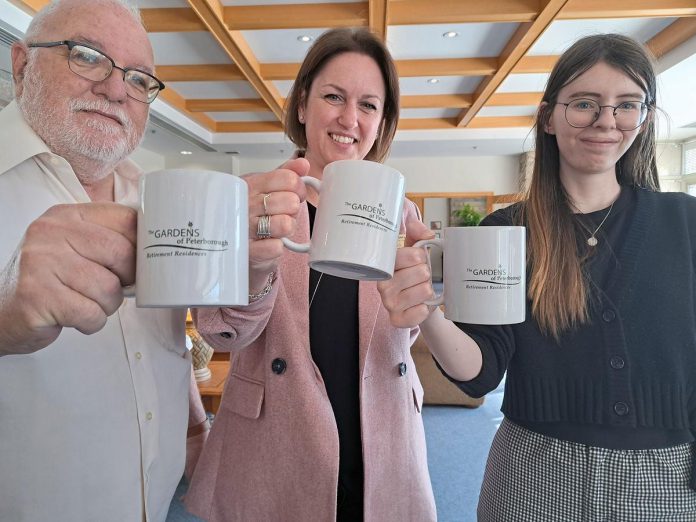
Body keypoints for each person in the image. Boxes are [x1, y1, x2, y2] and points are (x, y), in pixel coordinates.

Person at [0, 1, 306, 520]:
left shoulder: (153, 196)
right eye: (88, 56)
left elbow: (165, 342)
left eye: (140, 79)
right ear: (22, 63)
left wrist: (191, 426)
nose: (117, 89)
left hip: (155, 503)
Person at [378, 33, 696, 521]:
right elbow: (479, 372)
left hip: (667, 477)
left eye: (626, 105)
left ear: (645, 117)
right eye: (585, 103)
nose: (606, 121)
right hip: (534, 474)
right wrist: (429, 316)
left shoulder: (685, 223)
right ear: (549, 117)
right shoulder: (503, 231)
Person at [184, 28, 436, 522]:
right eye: (334, 97)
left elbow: (404, 336)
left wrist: (416, 302)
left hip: (381, 442)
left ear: (382, 121)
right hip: (275, 444)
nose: (349, 119)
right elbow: (218, 331)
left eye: (368, 105)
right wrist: (255, 264)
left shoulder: (400, 212)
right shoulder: (255, 199)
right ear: (303, 105)